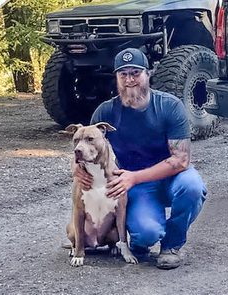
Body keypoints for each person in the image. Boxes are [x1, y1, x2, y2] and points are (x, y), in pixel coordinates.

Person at [74, 48, 207, 269]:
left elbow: (181, 160)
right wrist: (77, 170)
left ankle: (171, 246)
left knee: (192, 186)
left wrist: (134, 177)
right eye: (123, 74)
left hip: (171, 176)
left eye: (135, 72)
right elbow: (85, 144)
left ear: (148, 74)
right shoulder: (105, 112)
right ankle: (141, 237)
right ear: (116, 78)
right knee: (146, 234)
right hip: (136, 186)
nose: (129, 79)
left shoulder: (169, 106)